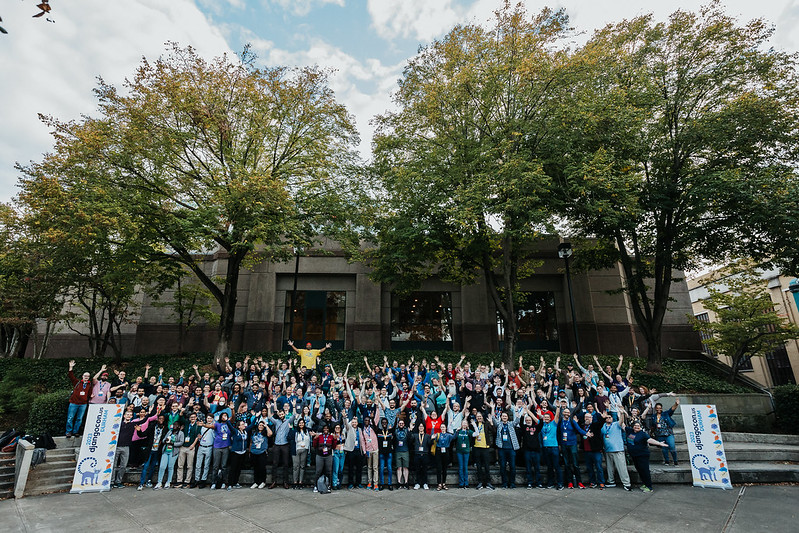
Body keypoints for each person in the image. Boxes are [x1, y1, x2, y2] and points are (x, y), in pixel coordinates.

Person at [623, 413, 669, 493]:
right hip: (634, 456)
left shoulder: (643, 434)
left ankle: (649, 487)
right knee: (639, 470)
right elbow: (622, 425)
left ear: (640, 427)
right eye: (635, 425)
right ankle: (644, 483)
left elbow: (649, 440)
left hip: (642, 455)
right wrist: (621, 413)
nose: (637, 427)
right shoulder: (630, 431)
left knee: (645, 470)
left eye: (638, 426)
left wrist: (659, 443)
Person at [66, 360, 105, 437]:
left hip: (83, 404)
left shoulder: (89, 384)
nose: (86, 377)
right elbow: (71, 376)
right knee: (70, 418)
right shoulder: (77, 382)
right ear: (82, 376)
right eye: (85, 376)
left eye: (88, 376)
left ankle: (75, 431)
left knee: (79, 419)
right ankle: (68, 432)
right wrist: (71, 367)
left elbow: (90, 392)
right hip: (74, 403)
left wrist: (91, 395)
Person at [601, 410, 631, 491]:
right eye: (607, 418)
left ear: (612, 418)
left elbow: (621, 420)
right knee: (609, 468)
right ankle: (611, 481)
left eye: (610, 417)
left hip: (618, 449)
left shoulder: (616, 424)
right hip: (607, 450)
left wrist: (621, 413)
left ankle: (626, 483)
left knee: (621, 467)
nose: (608, 419)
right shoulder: (603, 426)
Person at [647, 398, 680, 466]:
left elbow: (672, 409)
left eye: (660, 408)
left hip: (668, 433)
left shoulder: (665, 414)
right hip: (659, 434)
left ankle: (675, 461)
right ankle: (667, 461)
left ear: (662, 408)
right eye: (657, 408)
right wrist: (651, 433)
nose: (659, 409)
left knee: (672, 447)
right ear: (655, 409)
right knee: (664, 449)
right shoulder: (653, 417)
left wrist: (676, 404)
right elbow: (653, 426)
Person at [154, 421, 184, 489]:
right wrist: (166, 440)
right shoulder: (170, 432)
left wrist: (173, 444)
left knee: (170, 467)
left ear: (179, 427)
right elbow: (164, 439)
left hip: (173, 452)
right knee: (162, 466)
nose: (174, 426)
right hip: (166, 451)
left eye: (176, 425)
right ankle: (159, 482)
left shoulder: (180, 433)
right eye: (173, 425)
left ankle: (168, 482)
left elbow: (181, 442)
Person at [192, 414, 215, 488]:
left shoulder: (213, 427)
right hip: (201, 446)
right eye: (208, 418)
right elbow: (199, 435)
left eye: (210, 418)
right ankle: (196, 479)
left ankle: (203, 480)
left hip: (209, 447)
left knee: (206, 464)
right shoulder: (202, 427)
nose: (209, 420)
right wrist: (199, 437)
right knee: (198, 464)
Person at [250, 420, 272, 489]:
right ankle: (256, 482)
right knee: (255, 468)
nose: (261, 426)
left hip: (262, 452)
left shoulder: (265, 433)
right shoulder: (254, 433)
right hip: (254, 452)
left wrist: (266, 426)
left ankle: (263, 482)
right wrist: (250, 451)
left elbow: (270, 434)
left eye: (262, 425)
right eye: (260, 425)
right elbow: (251, 442)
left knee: (262, 468)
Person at [290, 418, 311, 488]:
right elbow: (290, 437)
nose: (301, 424)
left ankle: (300, 482)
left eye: (302, 423)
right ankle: (295, 482)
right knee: (295, 466)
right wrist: (290, 429)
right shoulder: (295, 431)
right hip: (296, 450)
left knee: (302, 466)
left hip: (304, 450)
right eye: (300, 423)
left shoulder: (307, 431)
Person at [313, 424, 336, 492]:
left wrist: (335, 440)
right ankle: (315, 486)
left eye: (327, 428)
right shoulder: (319, 436)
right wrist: (315, 439)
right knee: (318, 471)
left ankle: (328, 485)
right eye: (324, 428)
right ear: (322, 429)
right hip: (319, 455)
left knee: (329, 471)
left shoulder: (331, 437)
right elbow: (314, 446)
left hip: (328, 456)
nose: (326, 430)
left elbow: (334, 447)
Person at [432, 422, 453, 490]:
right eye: (441, 427)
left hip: (446, 451)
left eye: (444, 427)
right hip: (439, 451)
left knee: (444, 469)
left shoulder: (448, 435)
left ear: (446, 428)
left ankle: (444, 483)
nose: (443, 428)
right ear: (440, 428)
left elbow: (454, 437)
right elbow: (432, 440)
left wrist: (458, 430)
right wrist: (432, 438)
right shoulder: (438, 435)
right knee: (439, 468)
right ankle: (439, 484)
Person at [411, 422, 432, 490]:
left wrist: (432, 438)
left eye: (422, 426)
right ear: (418, 428)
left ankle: (425, 483)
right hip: (417, 454)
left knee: (424, 470)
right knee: (417, 470)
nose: (421, 428)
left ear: (424, 428)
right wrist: (410, 430)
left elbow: (430, 444)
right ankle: (417, 483)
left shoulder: (427, 436)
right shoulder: (415, 435)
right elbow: (410, 440)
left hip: (425, 454)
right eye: (420, 426)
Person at [454, 419, 473, 489]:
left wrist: (474, 424)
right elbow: (454, 437)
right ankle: (461, 483)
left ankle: (466, 483)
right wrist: (456, 430)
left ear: (467, 425)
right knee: (461, 467)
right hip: (459, 451)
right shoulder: (458, 431)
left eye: (465, 423)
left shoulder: (469, 431)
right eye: (463, 423)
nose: (464, 424)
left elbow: (476, 434)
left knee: (465, 467)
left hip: (466, 451)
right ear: (461, 424)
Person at [377, 417, 395, 490]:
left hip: (389, 453)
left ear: (387, 423)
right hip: (381, 453)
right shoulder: (379, 431)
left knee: (389, 468)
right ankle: (381, 484)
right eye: (383, 422)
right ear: (381, 424)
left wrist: (396, 418)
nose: (384, 424)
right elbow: (374, 426)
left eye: (385, 422)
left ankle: (390, 484)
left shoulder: (390, 431)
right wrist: (372, 418)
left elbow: (394, 426)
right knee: (381, 469)